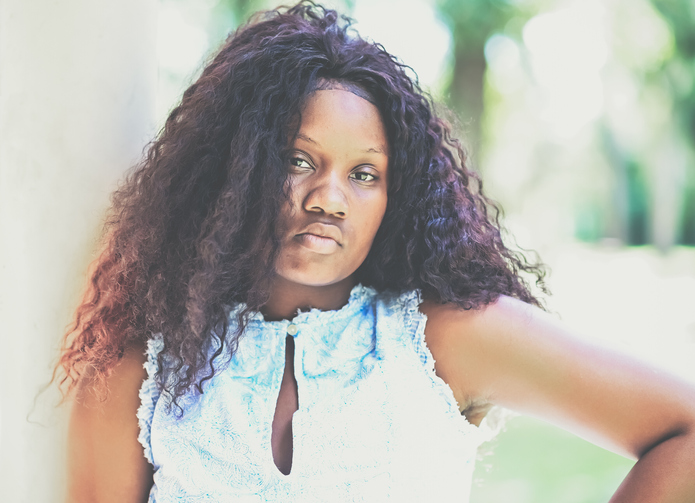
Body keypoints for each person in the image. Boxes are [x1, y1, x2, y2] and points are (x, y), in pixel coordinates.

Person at [56, 2, 695, 502]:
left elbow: (684, 430)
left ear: (397, 195)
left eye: (365, 174)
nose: (328, 198)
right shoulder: (141, 366)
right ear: (237, 170)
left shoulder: (442, 340)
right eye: (297, 160)